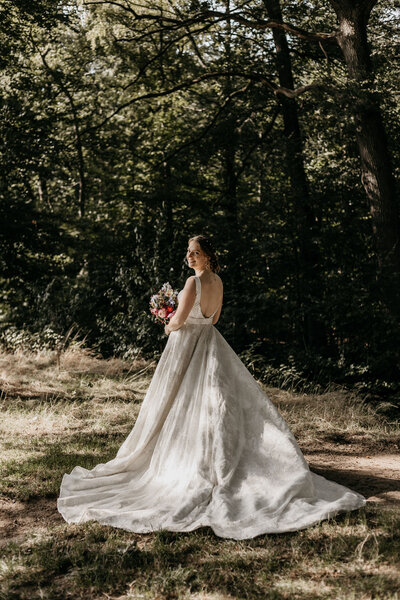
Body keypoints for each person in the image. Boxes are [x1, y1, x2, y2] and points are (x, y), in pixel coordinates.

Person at [57, 234, 365, 540]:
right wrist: (180, 315)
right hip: (210, 342)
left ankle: (188, 464)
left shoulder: (194, 283)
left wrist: (166, 320)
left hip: (187, 342)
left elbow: (178, 321)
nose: (189, 257)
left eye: (195, 252)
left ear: (207, 256)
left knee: (179, 401)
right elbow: (214, 318)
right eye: (188, 252)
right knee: (209, 403)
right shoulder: (218, 282)